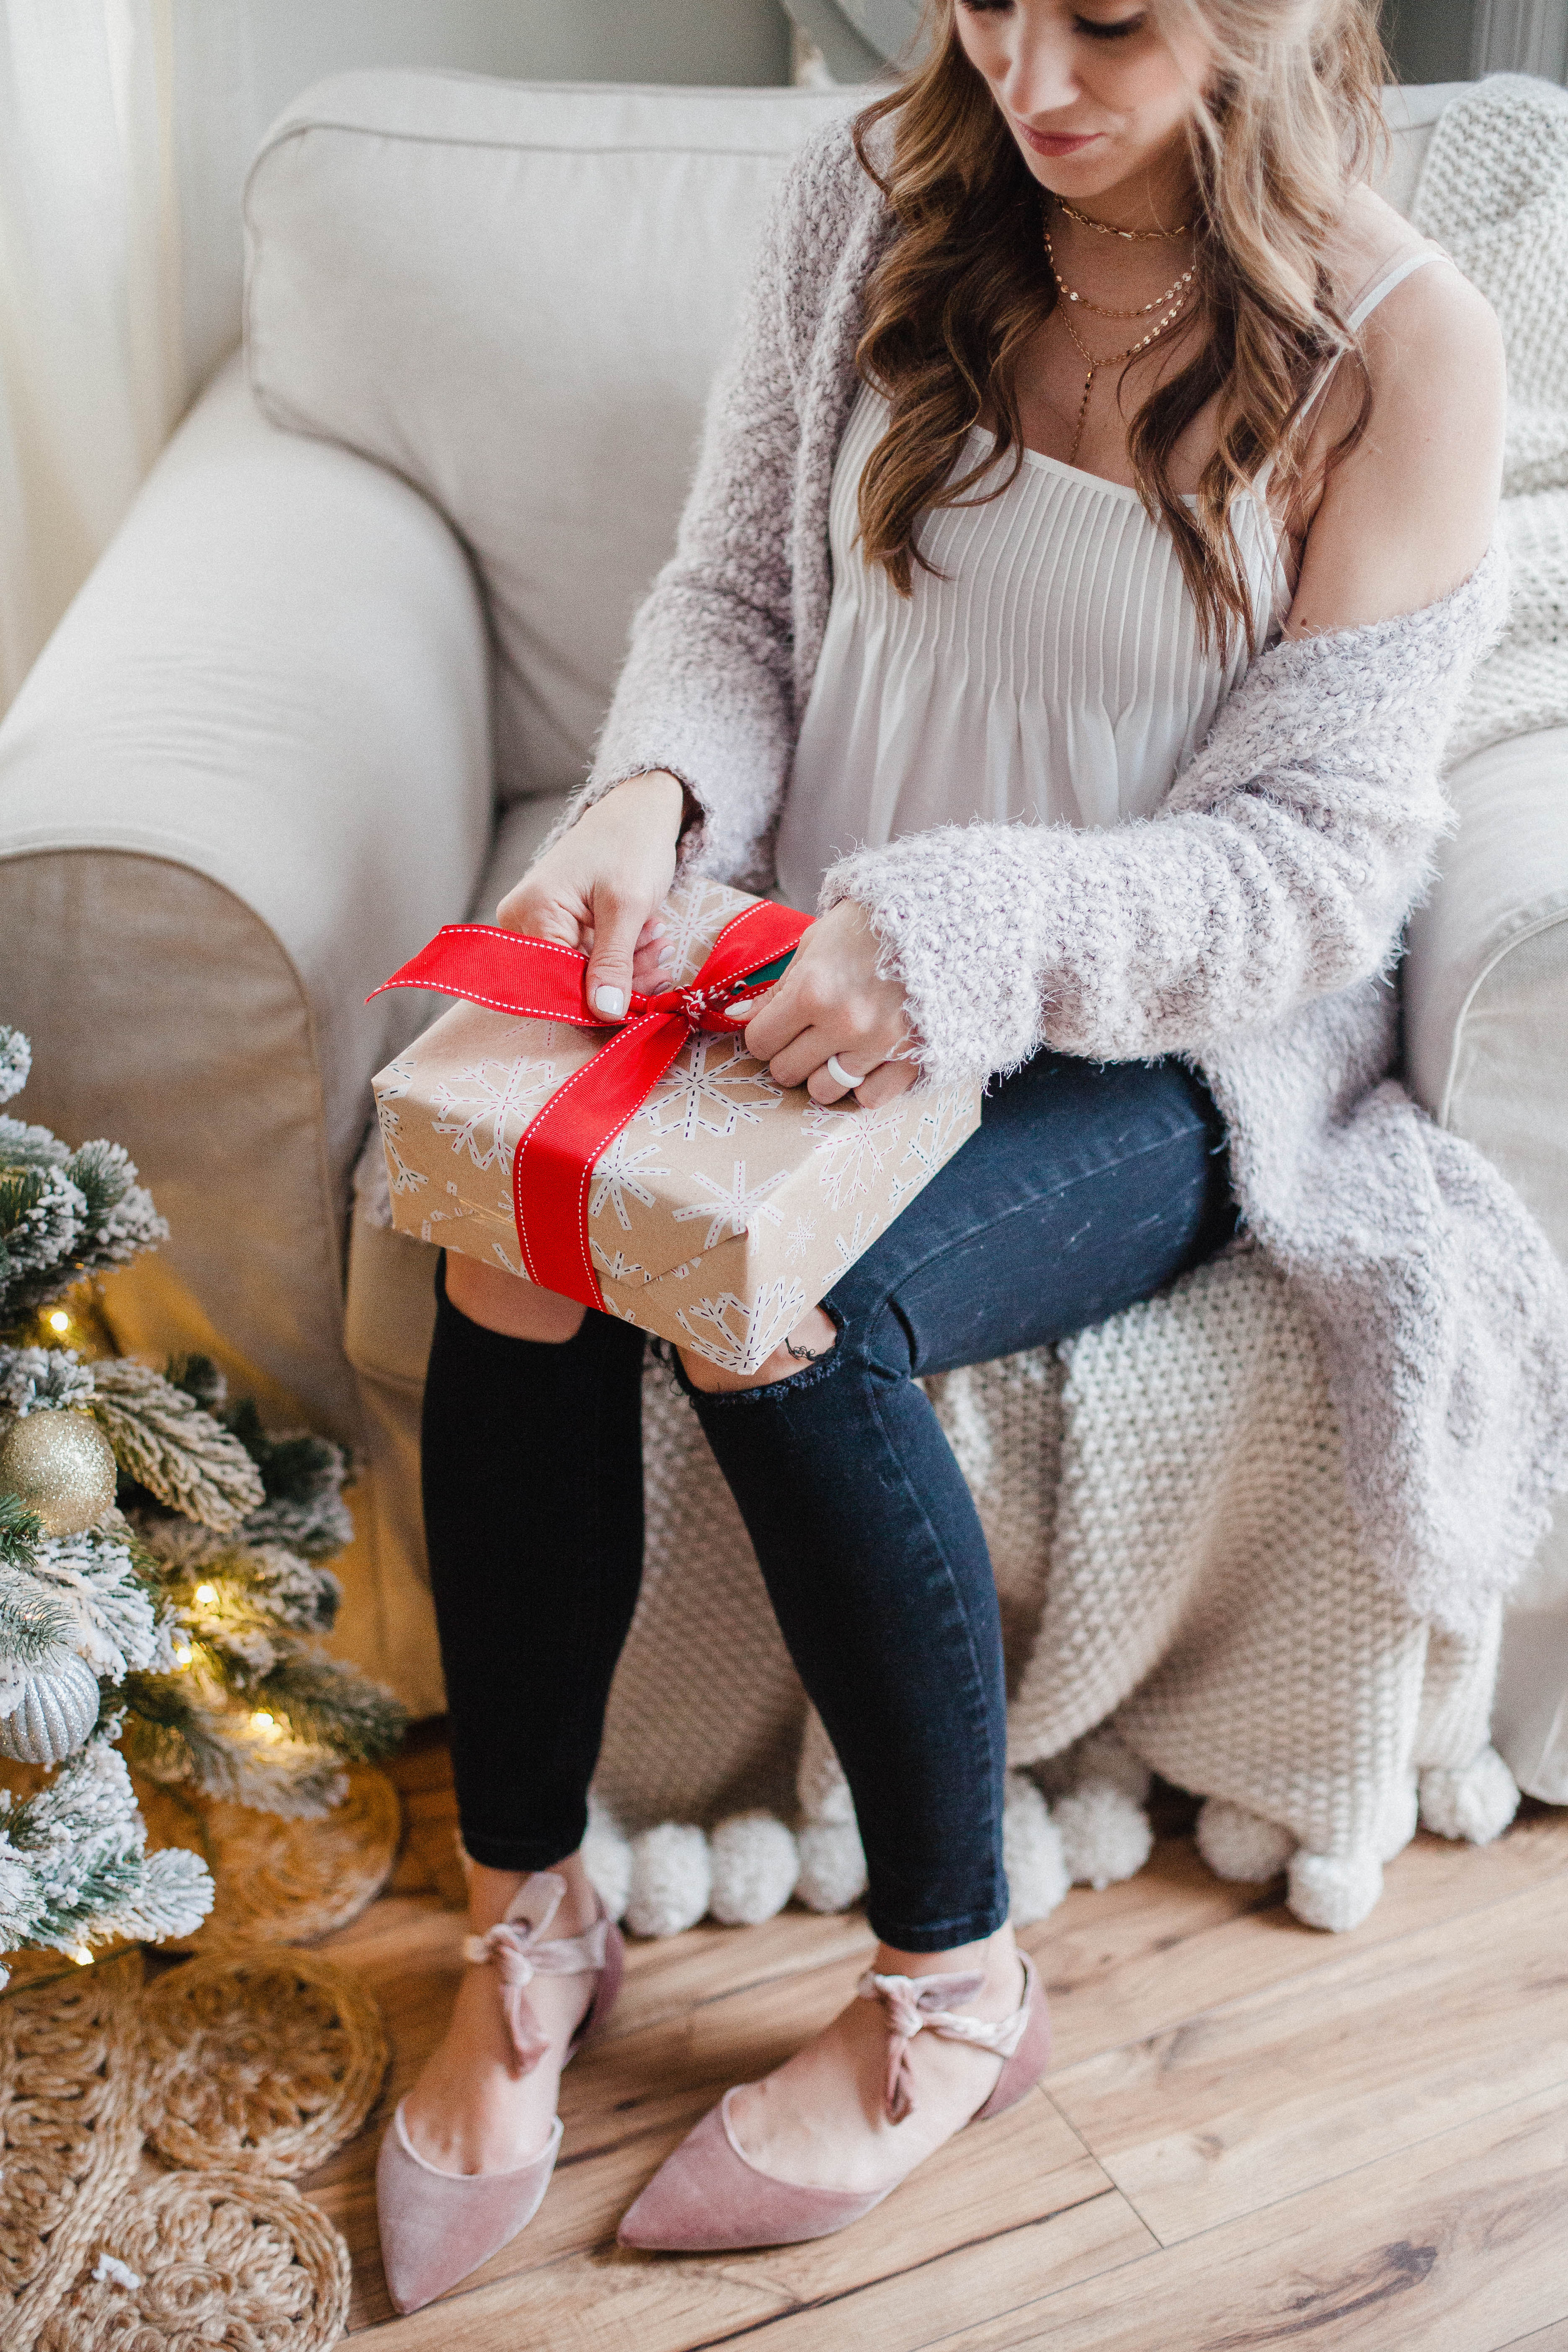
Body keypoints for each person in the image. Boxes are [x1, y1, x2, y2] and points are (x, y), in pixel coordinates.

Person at [375, 0, 1507, 2311]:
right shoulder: (872, 196)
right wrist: (646, 802)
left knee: (785, 1301)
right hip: (811, 948)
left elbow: (1311, 873)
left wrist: (961, 940)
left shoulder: (1411, 349)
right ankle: (530, 1919)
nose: (1027, 69)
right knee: (512, 1236)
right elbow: (731, 610)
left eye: (1107, 21)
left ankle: (949, 1983)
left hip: (1157, 1040)